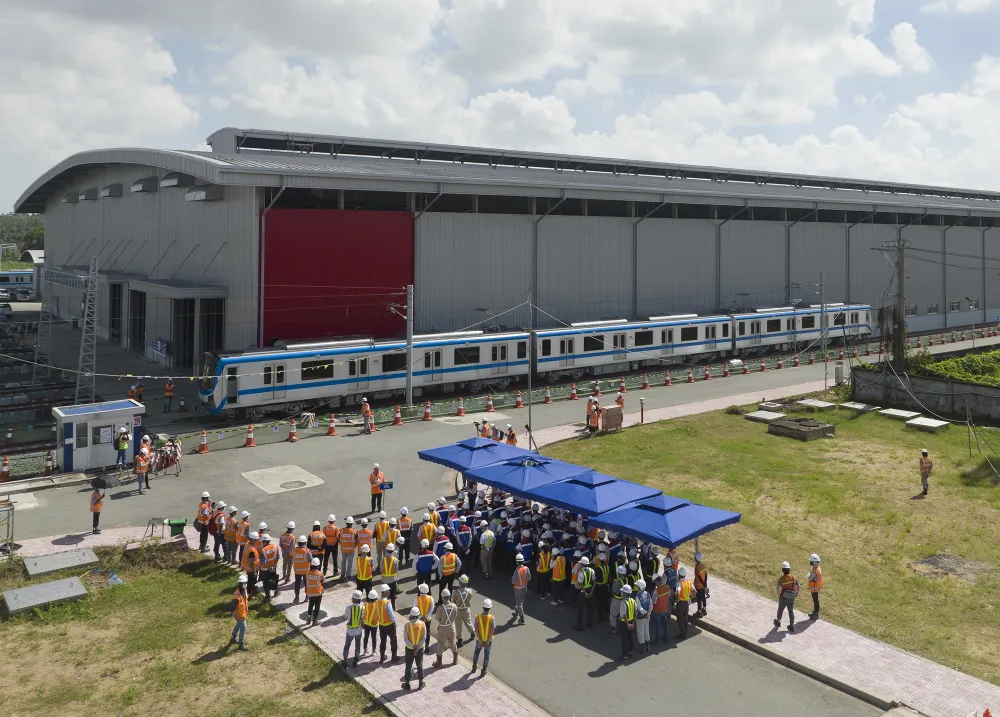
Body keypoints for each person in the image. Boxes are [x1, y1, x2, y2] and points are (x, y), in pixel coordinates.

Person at [402, 607, 426, 691]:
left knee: (408, 666)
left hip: (409, 649)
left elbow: (406, 639)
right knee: (419, 665)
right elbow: (424, 638)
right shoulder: (422, 624)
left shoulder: (407, 625)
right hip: (420, 649)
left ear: (411, 615)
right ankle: (421, 683)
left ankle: (407, 684)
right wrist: (417, 647)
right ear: (418, 615)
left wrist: (412, 646)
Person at [470, 598, 495, 677]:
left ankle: (474, 667)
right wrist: (488, 641)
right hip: (488, 641)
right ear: (490, 608)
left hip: (479, 640)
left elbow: (476, 630)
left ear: (483, 607)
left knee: (476, 653)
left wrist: (480, 640)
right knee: (486, 655)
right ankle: (483, 671)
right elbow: (492, 631)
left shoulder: (477, 617)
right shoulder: (492, 618)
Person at [434, 588, 459, 667]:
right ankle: (455, 660)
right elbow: (455, 616)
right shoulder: (454, 606)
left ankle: (439, 662)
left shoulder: (440, 608)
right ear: (449, 596)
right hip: (451, 627)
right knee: (453, 643)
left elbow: (437, 618)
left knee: (440, 643)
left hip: (442, 628)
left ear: (442, 597)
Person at [775, 561, 799, 633]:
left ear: (782, 570)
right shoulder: (793, 577)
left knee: (780, 609)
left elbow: (779, 588)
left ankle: (778, 621)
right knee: (790, 611)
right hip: (792, 598)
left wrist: (779, 594)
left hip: (783, 597)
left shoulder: (781, 579)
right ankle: (791, 625)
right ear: (789, 569)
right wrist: (797, 594)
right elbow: (798, 586)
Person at [377, 584, 399, 663]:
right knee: (393, 641)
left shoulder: (377, 602)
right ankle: (394, 657)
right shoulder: (387, 602)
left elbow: (377, 615)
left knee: (383, 641)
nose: (389, 592)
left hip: (381, 625)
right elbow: (391, 615)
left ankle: (382, 657)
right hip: (389, 625)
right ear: (384, 592)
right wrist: (394, 623)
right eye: (388, 591)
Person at [452, 574, 475, 647]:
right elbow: (469, 599)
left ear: (460, 582)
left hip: (458, 610)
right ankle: (473, 633)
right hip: (466, 609)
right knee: (468, 622)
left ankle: (460, 640)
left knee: (458, 626)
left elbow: (453, 602)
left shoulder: (456, 592)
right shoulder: (470, 591)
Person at [229, 574, 250, 651]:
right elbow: (232, 607)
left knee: (238, 625)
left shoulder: (244, 590)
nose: (245, 584)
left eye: (246, 582)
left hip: (243, 614)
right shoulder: (236, 596)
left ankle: (233, 638)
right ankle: (241, 644)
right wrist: (233, 613)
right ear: (240, 584)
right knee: (243, 628)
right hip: (239, 615)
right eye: (244, 583)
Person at [344, 590, 364, 667]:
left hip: (350, 631)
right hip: (358, 630)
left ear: (353, 599)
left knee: (347, 646)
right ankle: (355, 660)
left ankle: (345, 661)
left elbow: (346, 616)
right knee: (357, 645)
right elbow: (362, 618)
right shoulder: (363, 608)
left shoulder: (348, 607)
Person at [575, 556, 596, 630]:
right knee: (590, 608)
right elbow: (594, 582)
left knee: (580, 609)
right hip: (590, 591)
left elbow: (581, 584)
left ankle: (579, 626)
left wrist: (585, 593)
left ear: (582, 564)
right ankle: (590, 623)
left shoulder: (581, 572)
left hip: (583, 593)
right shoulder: (591, 570)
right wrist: (591, 592)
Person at [651, 574, 672, 644]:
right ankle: (666, 638)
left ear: (655, 581)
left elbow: (653, 601)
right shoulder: (667, 587)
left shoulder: (656, 591)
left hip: (657, 610)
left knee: (658, 625)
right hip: (665, 609)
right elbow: (669, 596)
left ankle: (658, 640)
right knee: (665, 624)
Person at [618, 584, 636, 661]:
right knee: (630, 637)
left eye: (622, 592)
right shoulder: (633, 600)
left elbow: (624, 615)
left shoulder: (623, 602)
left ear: (625, 594)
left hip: (624, 623)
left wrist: (628, 624)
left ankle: (624, 656)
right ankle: (631, 651)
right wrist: (633, 623)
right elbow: (636, 613)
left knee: (624, 639)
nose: (622, 593)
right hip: (631, 621)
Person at [241, 531, 261, 598]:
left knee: (250, 580)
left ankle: (250, 591)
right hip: (251, 569)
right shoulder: (251, 550)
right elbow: (251, 562)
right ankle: (249, 594)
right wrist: (254, 571)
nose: (257, 541)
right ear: (253, 539)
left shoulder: (247, 544)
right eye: (256, 540)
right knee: (251, 581)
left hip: (247, 567)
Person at [259, 534, 280, 601]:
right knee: (273, 580)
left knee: (265, 582)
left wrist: (268, 566)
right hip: (273, 568)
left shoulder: (263, 550)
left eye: (262, 541)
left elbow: (263, 561)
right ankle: (276, 591)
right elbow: (278, 557)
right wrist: (274, 565)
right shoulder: (275, 547)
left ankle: (268, 596)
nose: (262, 543)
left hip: (265, 569)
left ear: (265, 542)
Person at [511, 553, 530, 625]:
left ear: (517, 562)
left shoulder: (517, 571)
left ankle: (522, 618)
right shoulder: (526, 569)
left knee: (519, 603)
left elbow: (513, 581)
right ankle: (517, 610)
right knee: (521, 600)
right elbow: (529, 578)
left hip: (517, 589)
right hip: (524, 588)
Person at [415, 583, 435, 650]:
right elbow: (432, 608)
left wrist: (421, 616)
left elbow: (415, 608)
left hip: (419, 619)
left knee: (419, 632)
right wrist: (427, 616)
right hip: (427, 619)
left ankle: (419, 646)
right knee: (427, 632)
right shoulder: (430, 598)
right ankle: (427, 645)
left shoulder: (417, 598)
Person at [292, 535, 312, 603]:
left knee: (297, 584)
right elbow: (311, 560)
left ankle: (297, 597)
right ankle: (307, 597)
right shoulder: (307, 551)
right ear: (304, 543)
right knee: (307, 584)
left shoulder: (294, 550)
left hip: (297, 570)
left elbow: (293, 559)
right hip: (306, 571)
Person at [305, 557, 325, 626]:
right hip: (318, 593)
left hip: (310, 593)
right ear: (318, 566)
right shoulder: (320, 573)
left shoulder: (308, 573)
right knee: (317, 606)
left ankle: (309, 618)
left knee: (310, 605)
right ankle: (314, 620)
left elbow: (307, 580)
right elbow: (323, 580)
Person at [675, 566, 693, 639]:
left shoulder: (679, 583)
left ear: (679, 575)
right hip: (686, 603)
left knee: (680, 619)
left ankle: (683, 634)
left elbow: (678, 592)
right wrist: (690, 597)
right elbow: (694, 591)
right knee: (685, 618)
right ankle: (685, 631)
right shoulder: (689, 582)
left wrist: (677, 599)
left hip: (681, 603)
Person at [635, 578, 652, 652]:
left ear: (640, 587)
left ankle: (642, 648)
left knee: (640, 632)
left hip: (640, 617)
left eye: (637, 586)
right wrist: (648, 613)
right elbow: (651, 605)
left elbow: (639, 608)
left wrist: (645, 613)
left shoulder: (637, 596)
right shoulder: (648, 594)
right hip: (647, 616)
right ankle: (648, 646)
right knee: (646, 630)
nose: (636, 587)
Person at [610, 564, 627, 634]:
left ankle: (614, 630)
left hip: (617, 600)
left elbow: (613, 592)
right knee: (622, 615)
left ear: (619, 573)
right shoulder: (627, 580)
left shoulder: (617, 582)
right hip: (624, 600)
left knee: (613, 615)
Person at [362, 589, 380, 654]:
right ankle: (373, 651)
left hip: (366, 623)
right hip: (374, 624)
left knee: (366, 637)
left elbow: (363, 613)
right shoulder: (377, 606)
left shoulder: (365, 604)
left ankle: (365, 650)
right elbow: (378, 616)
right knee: (373, 637)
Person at [693, 551, 709, 618]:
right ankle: (704, 609)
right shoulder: (703, 565)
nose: (694, 558)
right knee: (703, 597)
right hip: (703, 584)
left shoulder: (697, 567)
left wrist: (700, 583)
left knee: (699, 598)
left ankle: (699, 612)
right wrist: (705, 583)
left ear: (696, 558)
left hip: (699, 585)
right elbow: (706, 574)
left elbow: (698, 576)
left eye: (694, 557)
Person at [808, 553, 823, 619]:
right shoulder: (817, 568)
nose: (810, 562)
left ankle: (816, 613)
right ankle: (815, 612)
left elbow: (809, 578)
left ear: (814, 562)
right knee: (816, 600)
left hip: (814, 588)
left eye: (811, 561)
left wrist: (809, 574)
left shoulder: (815, 570)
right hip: (816, 587)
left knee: (815, 600)